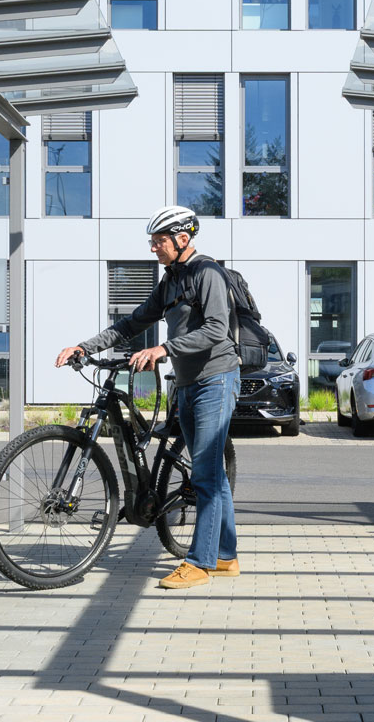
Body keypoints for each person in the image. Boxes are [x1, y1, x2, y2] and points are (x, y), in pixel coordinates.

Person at [55, 206, 238, 590]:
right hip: (186, 383)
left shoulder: (209, 274)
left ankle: (200, 563)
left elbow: (218, 331)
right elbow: (132, 323)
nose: (153, 248)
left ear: (182, 239)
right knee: (212, 474)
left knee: (204, 472)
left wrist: (163, 349)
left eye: (159, 241)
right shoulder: (170, 281)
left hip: (216, 380)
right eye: (151, 241)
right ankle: (226, 556)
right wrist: (84, 347)